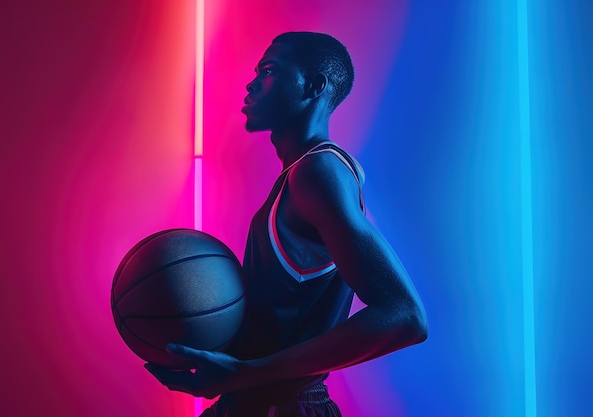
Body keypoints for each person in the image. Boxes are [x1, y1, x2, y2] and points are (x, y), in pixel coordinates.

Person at [145, 31, 428, 417]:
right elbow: (286, 315)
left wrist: (246, 373)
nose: (251, 82)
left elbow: (405, 316)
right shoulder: (303, 172)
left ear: (314, 86)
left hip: (283, 406)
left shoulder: (319, 171)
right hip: (253, 400)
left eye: (269, 70)